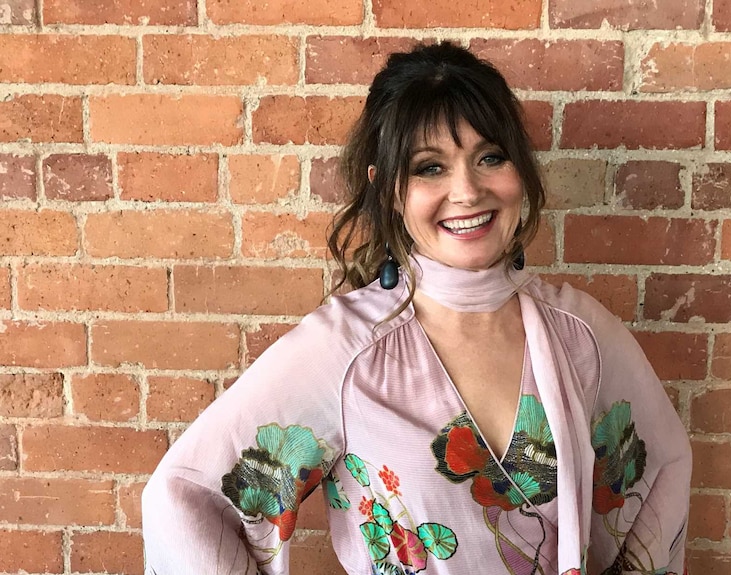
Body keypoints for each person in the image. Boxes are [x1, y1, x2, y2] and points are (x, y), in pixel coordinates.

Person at [141, 42, 691, 575]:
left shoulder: (581, 335)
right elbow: (185, 495)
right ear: (389, 190)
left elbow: (662, 473)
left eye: (490, 157)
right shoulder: (347, 351)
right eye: (430, 167)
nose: (468, 191)